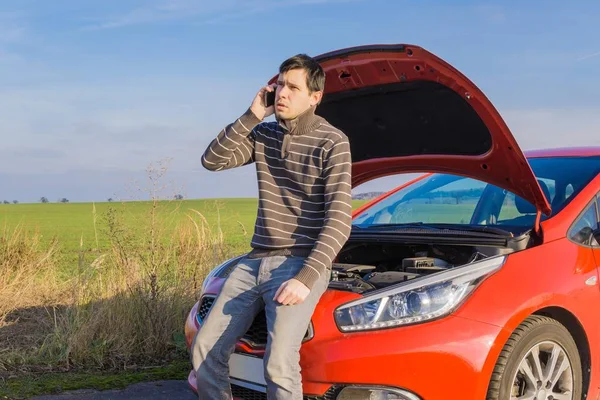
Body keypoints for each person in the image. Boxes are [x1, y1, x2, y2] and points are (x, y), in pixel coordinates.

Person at [191, 53, 353, 400]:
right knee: (204, 349)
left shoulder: (332, 142)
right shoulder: (262, 135)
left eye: (293, 87)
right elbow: (212, 160)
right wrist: (252, 115)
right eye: (279, 85)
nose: (282, 93)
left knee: (278, 363)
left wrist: (305, 278)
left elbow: (339, 219)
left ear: (315, 97)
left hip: (299, 263)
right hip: (253, 262)